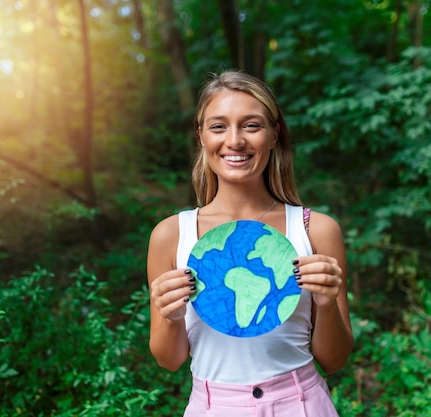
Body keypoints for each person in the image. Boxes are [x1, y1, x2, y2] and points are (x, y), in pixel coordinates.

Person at [147, 70, 353, 417]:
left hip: (301, 405)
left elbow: (334, 360)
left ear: (274, 135)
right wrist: (170, 316)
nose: (235, 140)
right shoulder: (171, 235)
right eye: (218, 126)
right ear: (201, 136)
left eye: (251, 125)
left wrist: (327, 302)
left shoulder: (316, 230)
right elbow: (169, 361)